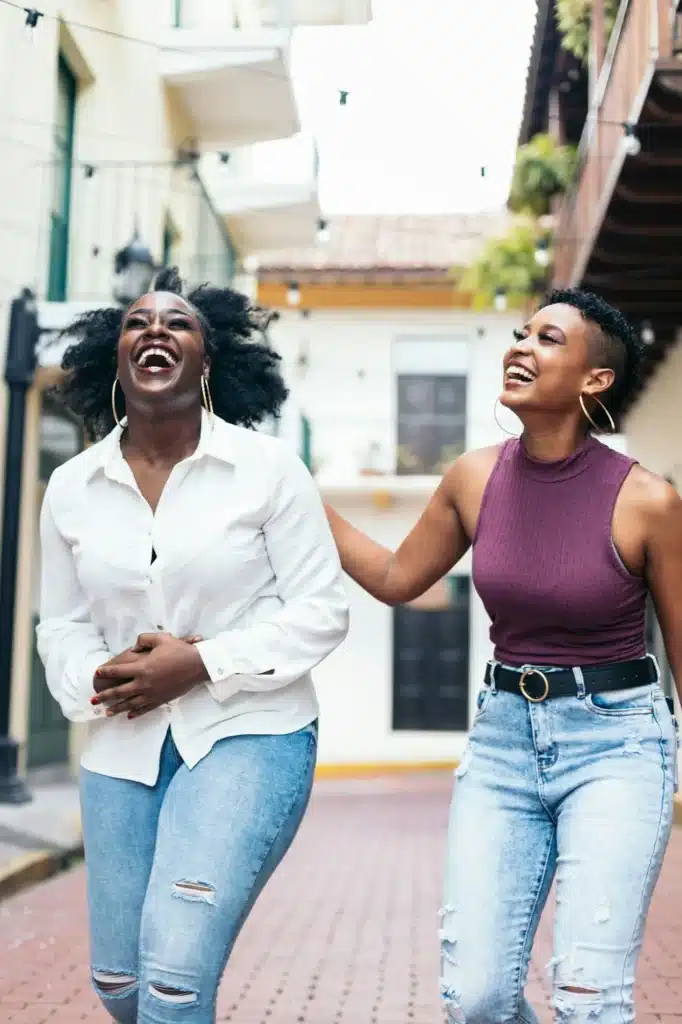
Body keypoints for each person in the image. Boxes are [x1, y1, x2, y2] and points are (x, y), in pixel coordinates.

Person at [324, 289, 682, 1024]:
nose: (520, 347)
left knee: (587, 998)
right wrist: (301, 500)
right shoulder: (474, 478)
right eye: (520, 333)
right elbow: (397, 578)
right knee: (478, 1000)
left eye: (548, 339)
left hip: (619, 744)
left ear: (595, 380)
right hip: (503, 743)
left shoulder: (647, 500)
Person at [36, 267, 348, 1024]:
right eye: (137, 322)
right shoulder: (73, 486)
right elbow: (61, 624)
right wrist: (98, 679)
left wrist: (199, 662)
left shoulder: (267, 470)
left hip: (253, 732)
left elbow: (324, 609)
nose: (154, 330)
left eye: (177, 324)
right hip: (123, 745)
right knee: (122, 986)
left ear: (208, 362)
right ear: (115, 359)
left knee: (173, 981)